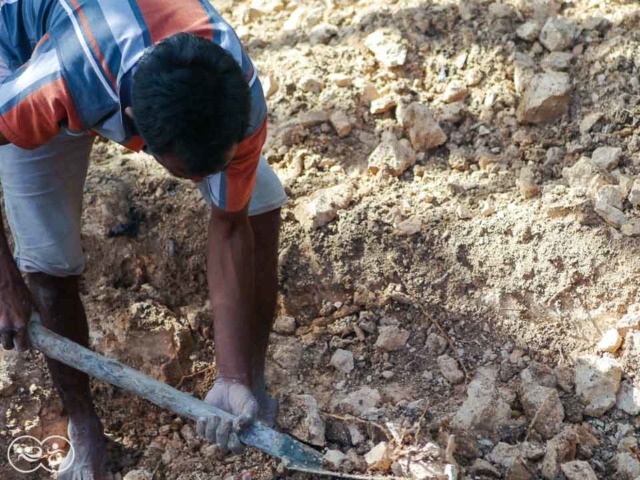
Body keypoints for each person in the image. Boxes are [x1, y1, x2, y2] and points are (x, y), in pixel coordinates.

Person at [0, 1, 287, 478]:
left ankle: (249, 388)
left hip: (113, 54)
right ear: (134, 127)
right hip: (27, 48)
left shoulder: (237, 93)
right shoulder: (49, 86)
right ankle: (83, 424)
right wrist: (5, 280)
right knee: (47, 259)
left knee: (257, 203)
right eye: (185, 172)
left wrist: (230, 376)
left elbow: (231, 222)